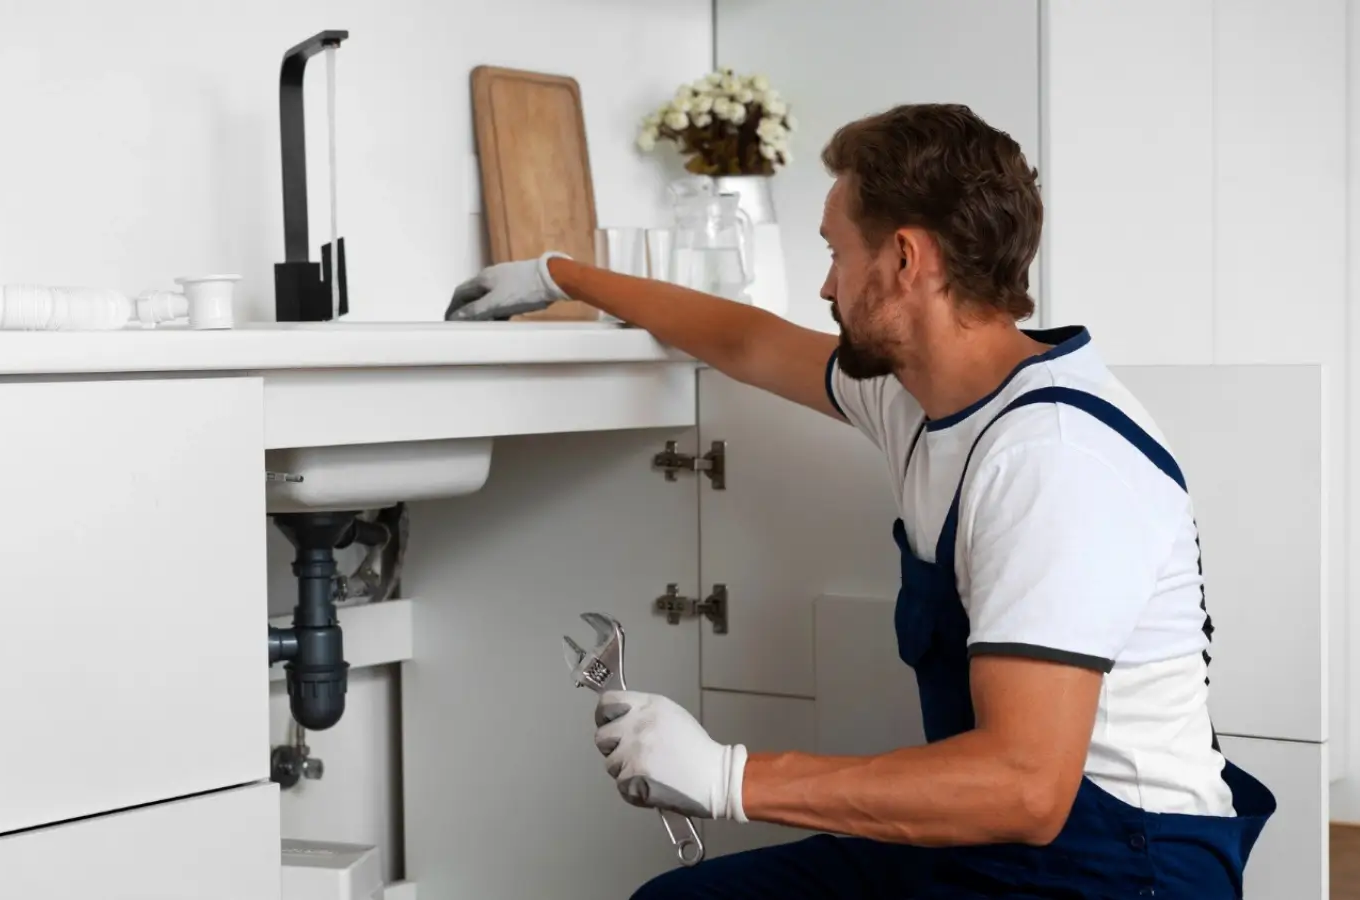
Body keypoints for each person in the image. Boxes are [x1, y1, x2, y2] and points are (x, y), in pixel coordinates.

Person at [445, 103, 1275, 898]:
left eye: (836, 255)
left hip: (1121, 870)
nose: (824, 288)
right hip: (998, 844)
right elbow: (747, 340)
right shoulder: (918, 396)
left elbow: (1026, 786)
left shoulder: (1049, 459)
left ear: (906, 260)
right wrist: (559, 275)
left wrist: (728, 777)